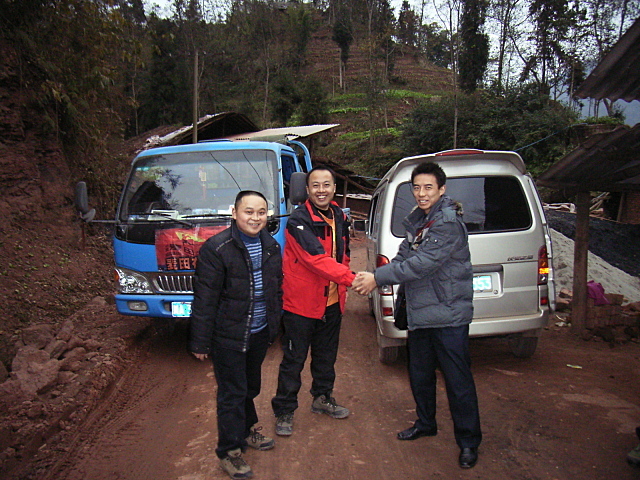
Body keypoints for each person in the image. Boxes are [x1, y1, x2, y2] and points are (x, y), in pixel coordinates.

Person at [352, 161, 482, 469]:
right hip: (421, 313)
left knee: (458, 381)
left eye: (428, 188)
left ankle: (468, 442)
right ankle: (426, 423)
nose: (422, 193)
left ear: (441, 189)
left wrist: (377, 278)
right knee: (420, 374)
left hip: (448, 315)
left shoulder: (447, 223)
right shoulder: (420, 220)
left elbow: (422, 264)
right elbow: (403, 257)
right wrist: (378, 274)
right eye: (417, 188)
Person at [189, 190, 283, 480]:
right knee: (232, 393)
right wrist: (200, 341)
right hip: (228, 335)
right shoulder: (217, 248)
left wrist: (275, 326)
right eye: (248, 212)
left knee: (250, 386)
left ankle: (246, 430)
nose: (255, 218)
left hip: (259, 332)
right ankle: (229, 451)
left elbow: (275, 290)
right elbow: (205, 299)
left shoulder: (271, 246)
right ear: (234, 213)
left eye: (261, 212)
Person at [271, 165, 356, 436]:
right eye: (315, 185)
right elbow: (316, 259)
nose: (321, 190)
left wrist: (342, 286)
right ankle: (284, 410)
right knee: (293, 360)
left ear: (334, 188)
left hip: (331, 302)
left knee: (326, 357)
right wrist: (353, 280)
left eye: (326, 185)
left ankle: (322, 397)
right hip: (301, 305)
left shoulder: (339, 216)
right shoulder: (298, 221)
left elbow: (343, 254)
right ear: (307, 189)